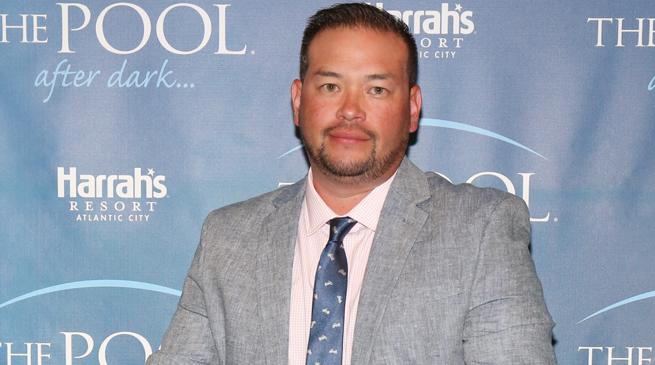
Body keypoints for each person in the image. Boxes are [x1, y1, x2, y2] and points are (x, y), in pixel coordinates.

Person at [147, 3, 556, 364]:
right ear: (298, 100)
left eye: (376, 89)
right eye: (330, 86)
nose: (350, 111)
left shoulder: (480, 228)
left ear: (412, 108)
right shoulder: (228, 237)